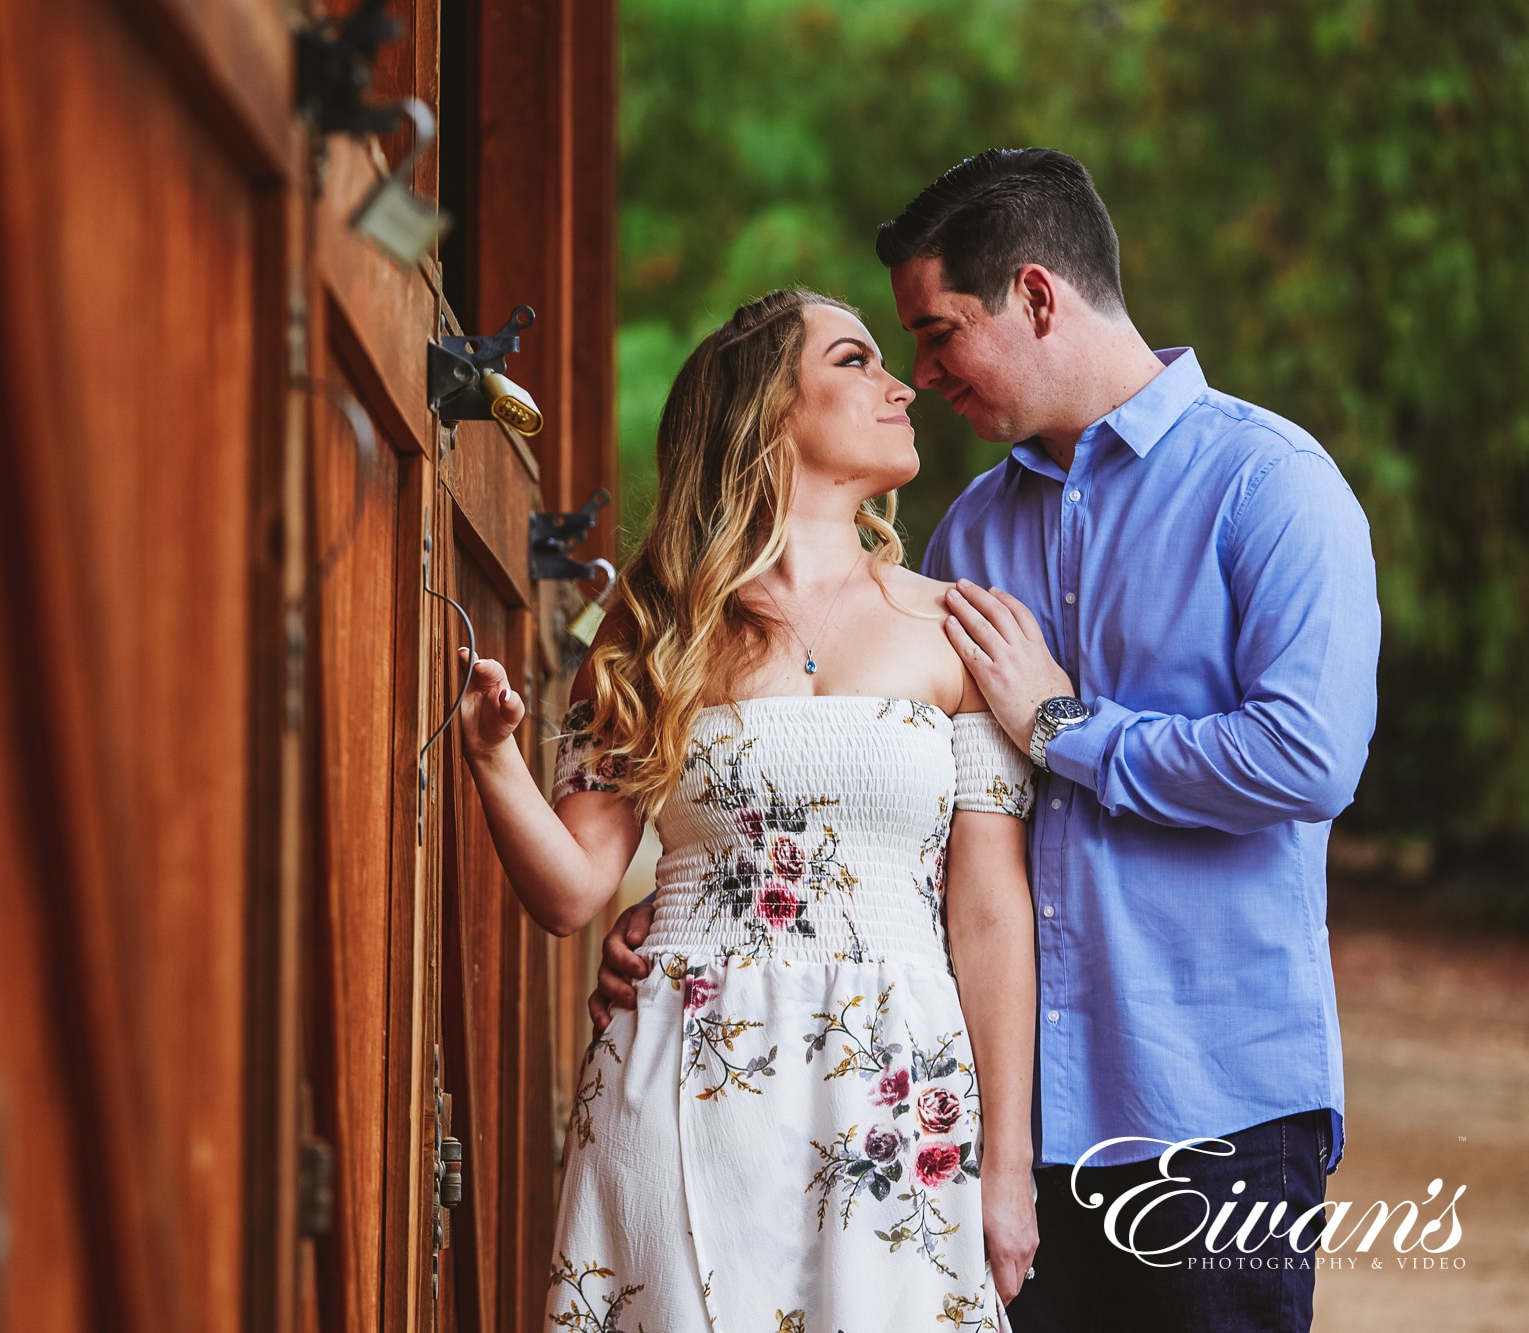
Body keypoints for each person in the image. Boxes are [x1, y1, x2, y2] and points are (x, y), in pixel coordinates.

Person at [592, 150, 1381, 1333]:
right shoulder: (965, 533)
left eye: (937, 331)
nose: (919, 374)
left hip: (1211, 1101)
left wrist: (1063, 728)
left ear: (1037, 296)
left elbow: (1306, 758)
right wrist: (722, 893)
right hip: (986, 1117)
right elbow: (895, 791)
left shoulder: (1265, 485)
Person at [457, 287, 1040, 1332]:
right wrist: (493, 758)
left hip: (896, 1090)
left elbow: (988, 911)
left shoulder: (956, 629)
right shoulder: (649, 626)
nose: (898, 382)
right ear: (771, 406)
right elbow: (571, 889)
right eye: (856, 359)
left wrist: (1005, 1166)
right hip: (684, 1071)